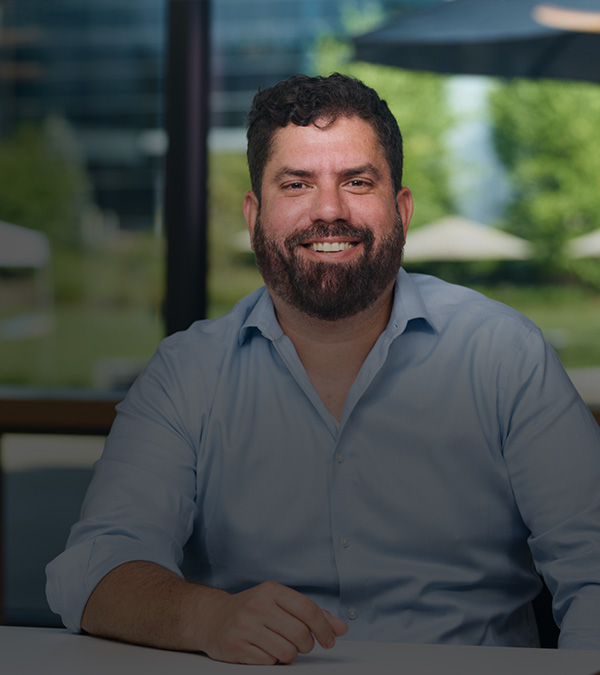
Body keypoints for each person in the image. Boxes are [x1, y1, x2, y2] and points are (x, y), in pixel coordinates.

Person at [46, 73, 600, 664]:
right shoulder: (187, 373)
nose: (328, 211)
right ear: (255, 214)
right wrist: (205, 617)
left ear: (402, 209)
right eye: (297, 184)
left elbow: (592, 567)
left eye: (357, 181)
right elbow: (93, 570)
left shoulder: (504, 355)